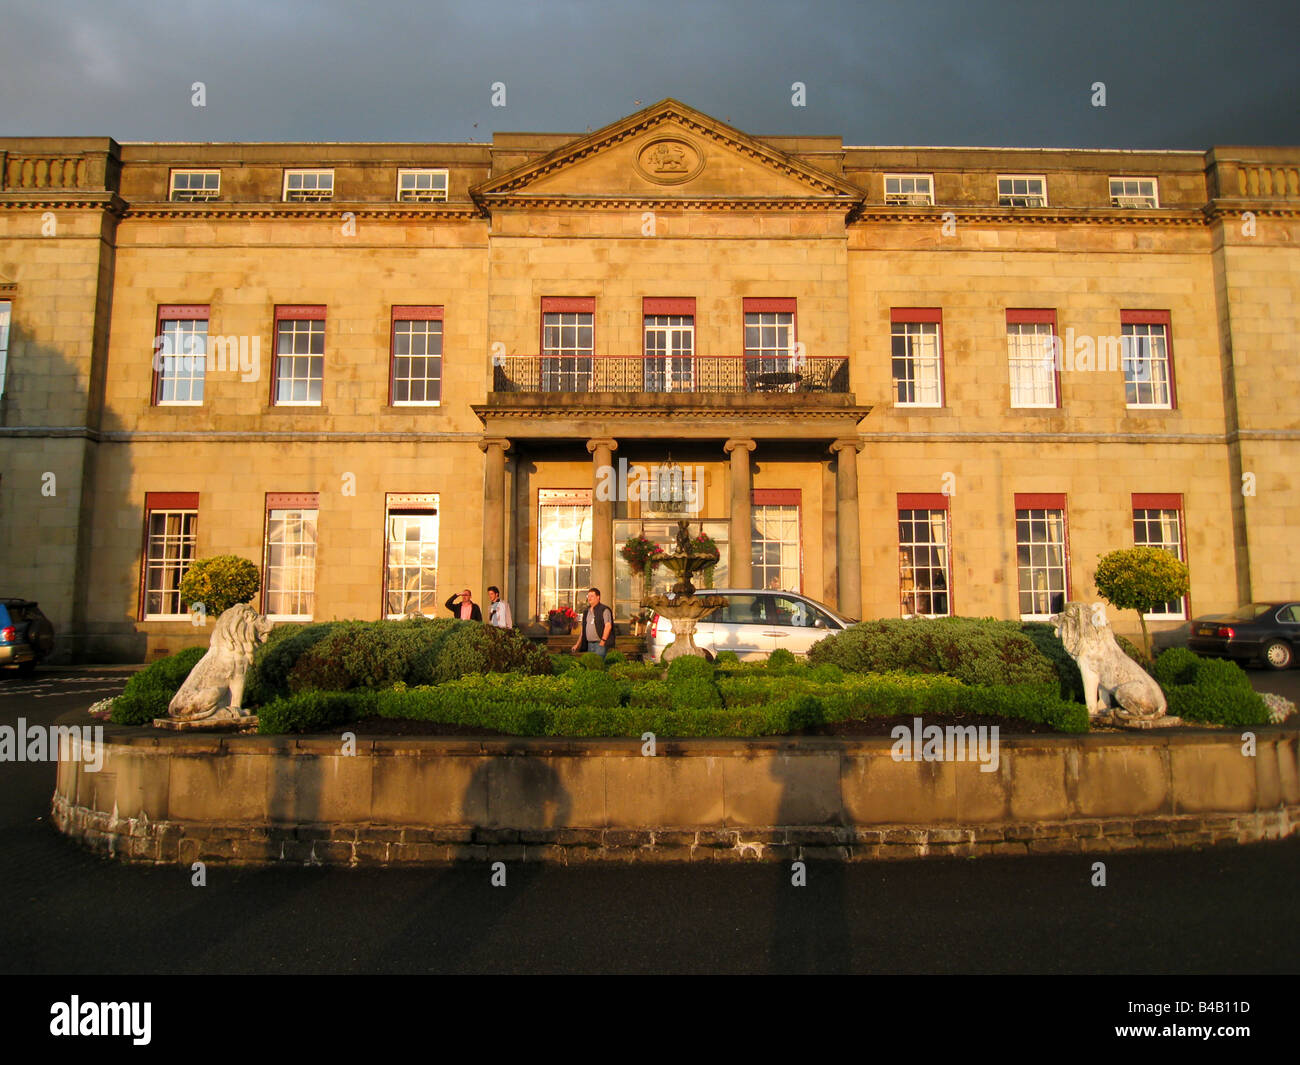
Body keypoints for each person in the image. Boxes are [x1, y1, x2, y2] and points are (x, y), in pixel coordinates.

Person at [571, 587, 614, 657]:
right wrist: (577, 644)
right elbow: (583, 630)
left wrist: (603, 641)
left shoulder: (604, 610)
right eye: (588, 596)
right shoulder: (586, 611)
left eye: (592, 596)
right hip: (589, 644)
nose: (589, 598)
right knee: (591, 662)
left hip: (600, 644)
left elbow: (608, 626)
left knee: (599, 662)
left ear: (598, 597)